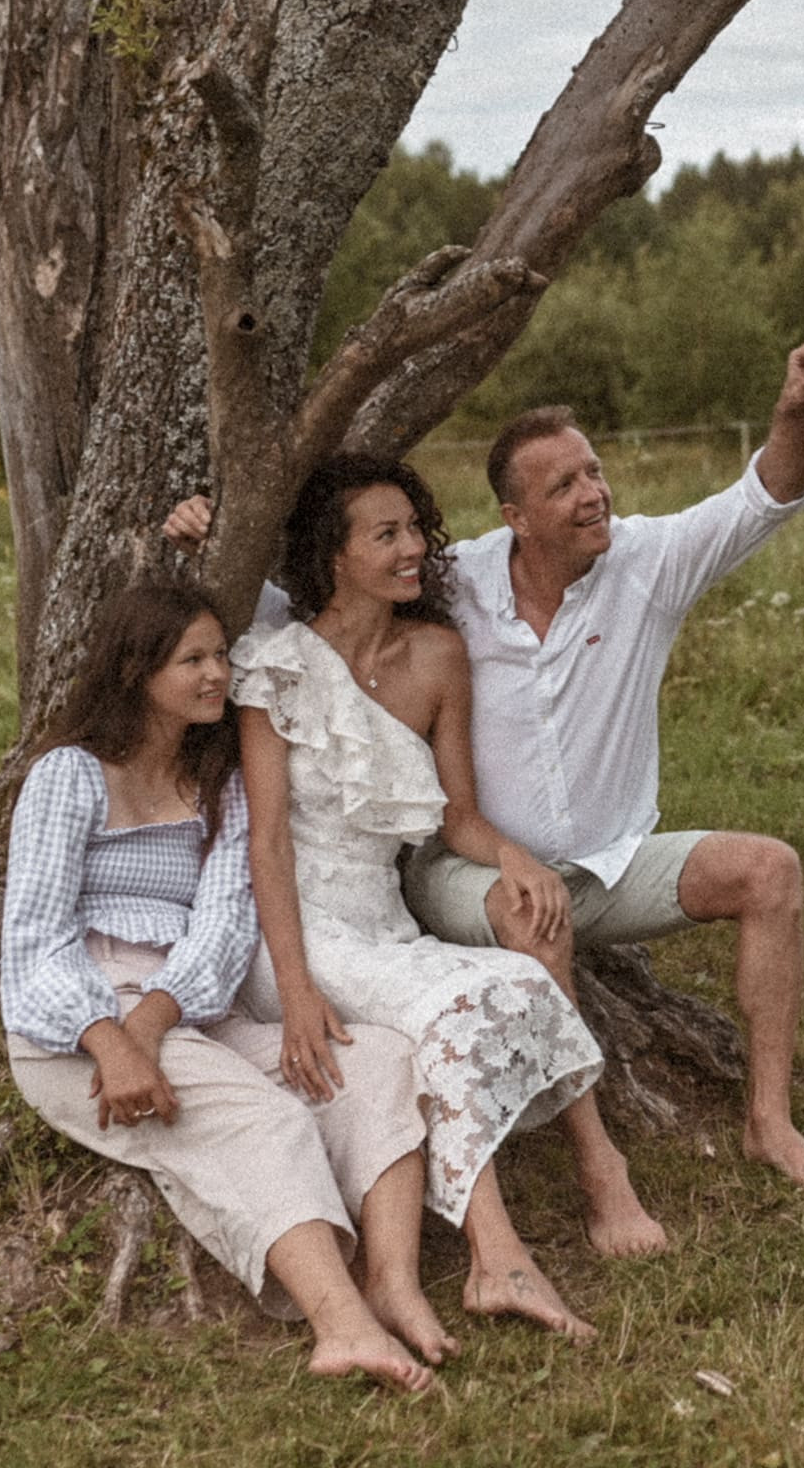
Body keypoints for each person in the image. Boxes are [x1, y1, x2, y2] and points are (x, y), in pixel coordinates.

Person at [170, 332, 804, 1196]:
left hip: (611, 863)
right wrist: (214, 541)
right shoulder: (454, 582)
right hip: (466, 867)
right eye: (564, 485)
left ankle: (770, 1122)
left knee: (770, 871)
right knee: (531, 915)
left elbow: (765, 496)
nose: (593, 495)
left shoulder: (645, 563)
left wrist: (796, 408)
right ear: (515, 516)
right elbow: (321, 622)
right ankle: (600, 1164)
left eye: (596, 472)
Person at [1, 581, 448, 1393]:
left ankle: (393, 1282)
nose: (218, 674)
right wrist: (112, 1038)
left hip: (186, 1007)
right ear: (138, 671)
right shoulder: (69, 776)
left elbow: (220, 926)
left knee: (377, 1063)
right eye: (193, 659)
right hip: (72, 1027)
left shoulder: (221, 782)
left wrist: (153, 1026)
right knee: (260, 1117)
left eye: (222, 654)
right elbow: (33, 941)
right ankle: (342, 1326)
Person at [231, 455, 634, 1342]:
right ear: (334, 557)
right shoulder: (276, 666)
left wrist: (514, 857)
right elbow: (263, 842)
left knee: (519, 982)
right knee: (452, 1008)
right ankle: (499, 1258)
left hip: (381, 922)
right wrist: (295, 988)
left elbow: (457, 817)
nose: (414, 548)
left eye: (416, 528)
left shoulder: (439, 655)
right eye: (387, 535)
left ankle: (499, 1259)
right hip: (294, 930)